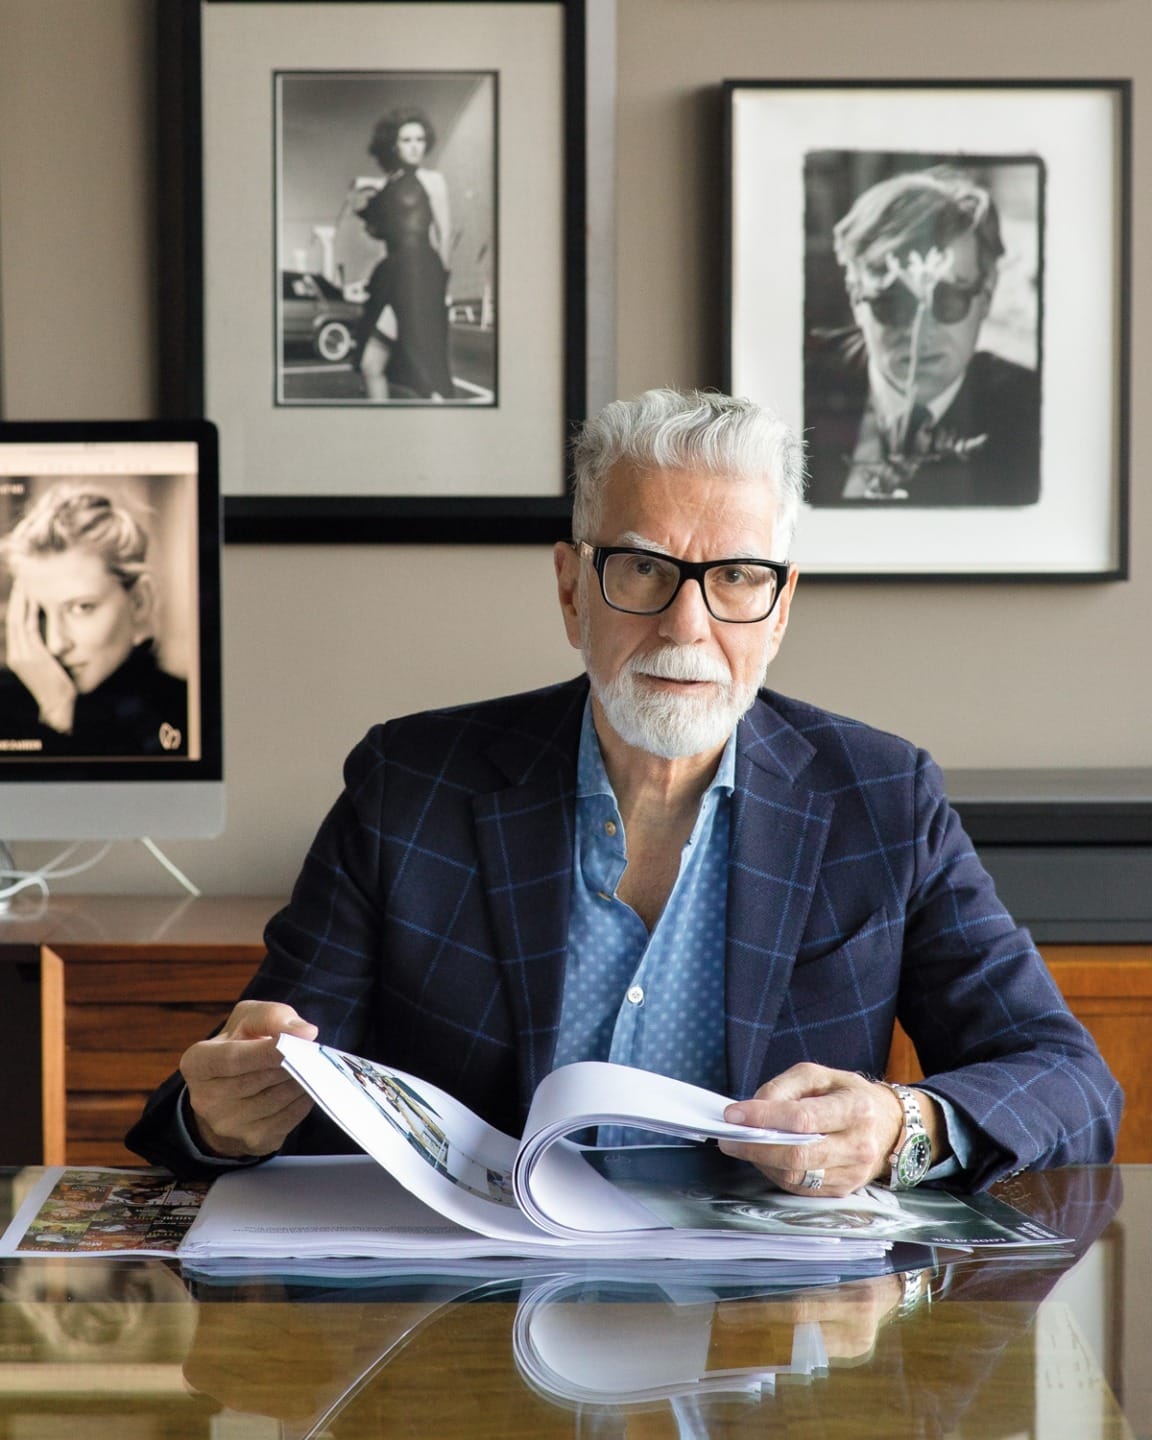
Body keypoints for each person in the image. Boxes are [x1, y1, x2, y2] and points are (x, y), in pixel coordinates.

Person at [127, 388, 1120, 1195]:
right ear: (571, 588)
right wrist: (223, 1113)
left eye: (735, 576)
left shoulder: (879, 797)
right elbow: (264, 1072)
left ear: (779, 609)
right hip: (469, 1319)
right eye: (644, 569)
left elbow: (1069, 1080)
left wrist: (898, 1125)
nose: (687, 625)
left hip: (769, 1339)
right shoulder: (410, 786)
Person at [805, 165, 1042, 506]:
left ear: (986, 296)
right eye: (893, 303)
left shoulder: (1033, 415)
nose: (921, 332)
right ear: (857, 297)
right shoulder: (800, 381)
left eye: (948, 300)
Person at [0, 483, 187, 756]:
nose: (55, 644)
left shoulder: (185, 709)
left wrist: (59, 715)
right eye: (39, 614)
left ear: (139, 603)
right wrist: (55, 711)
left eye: (81, 608)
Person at [354, 106, 454, 401]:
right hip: (391, 276)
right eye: (407, 140)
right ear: (394, 145)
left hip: (421, 276)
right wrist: (368, 187)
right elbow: (376, 224)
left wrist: (442, 285)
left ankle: (443, 436)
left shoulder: (433, 180)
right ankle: (382, 435)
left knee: (428, 372)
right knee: (370, 365)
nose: (415, 147)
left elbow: (445, 233)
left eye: (420, 140)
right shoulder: (388, 184)